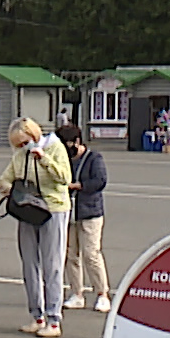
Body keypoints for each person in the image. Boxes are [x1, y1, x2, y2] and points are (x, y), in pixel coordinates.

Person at [0, 118, 71, 338]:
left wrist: (45, 160)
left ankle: (53, 318)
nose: (22, 148)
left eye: (24, 142)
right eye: (17, 145)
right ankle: (36, 315)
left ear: (34, 135)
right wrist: (13, 190)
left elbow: (65, 179)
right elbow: (5, 179)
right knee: (29, 263)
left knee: (53, 264)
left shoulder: (55, 147)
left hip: (53, 209)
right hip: (28, 210)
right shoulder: (20, 156)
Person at [58, 124, 111, 313]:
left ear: (77, 142)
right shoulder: (65, 159)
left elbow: (100, 181)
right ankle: (76, 293)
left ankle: (102, 293)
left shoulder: (94, 158)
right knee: (71, 254)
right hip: (70, 212)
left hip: (90, 212)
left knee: (91, 253)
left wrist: (79, 186)